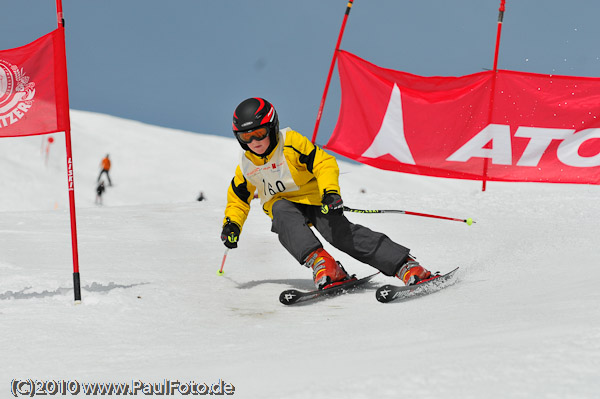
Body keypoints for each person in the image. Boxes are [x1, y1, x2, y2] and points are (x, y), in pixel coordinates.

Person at [221, 97, 433, 290]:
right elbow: (238, 198)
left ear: (272, 127)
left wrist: (331, 193)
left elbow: (324, 163)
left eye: (259, 133)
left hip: (315, 200)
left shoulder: (291, 143)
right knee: (281, 211)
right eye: (246, 136)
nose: (254, 142)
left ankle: (406, 265)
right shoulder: (247, 165)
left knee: (340, 235)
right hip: (285, 208)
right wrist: (232, 224)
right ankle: (325, 265)